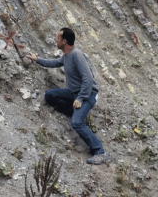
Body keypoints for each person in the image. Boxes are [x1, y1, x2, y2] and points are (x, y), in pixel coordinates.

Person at [26, 28, 110, 165]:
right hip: (73, 93)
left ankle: (100, 152)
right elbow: (54, 63)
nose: (55, 40)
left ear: (64, 41)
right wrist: (37, 59)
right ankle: (77, 112)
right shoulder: (66, 55)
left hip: (88, 94)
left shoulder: (77, 55)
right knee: (50, 95)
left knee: (76, 123)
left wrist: (80, 98)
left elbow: (88, 79)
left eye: (57, 38)